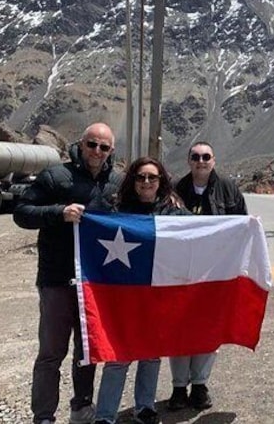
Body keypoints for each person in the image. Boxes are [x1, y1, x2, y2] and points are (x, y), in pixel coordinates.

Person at [14, 123, 123, 424]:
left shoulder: (116, 183)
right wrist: (57, 213)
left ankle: (81, 408)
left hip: (94, 282)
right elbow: (21, 213)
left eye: (104, 147)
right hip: (56, 279)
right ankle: (44, 416)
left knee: (86, 350)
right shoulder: (55, 175)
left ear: (111, 151)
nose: (97, 152)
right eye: (92, 144)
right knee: (51, 352)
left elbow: (136, 217)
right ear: (81, 143)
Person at [93, 157, 189, 424]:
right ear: (133, 180)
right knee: (119, 355)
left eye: (152, 177)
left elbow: (198, 233)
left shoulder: (174, 211)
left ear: (161, 181)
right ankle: (105, 415)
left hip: (158, 293)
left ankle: (145, 407)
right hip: (123, 294)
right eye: (141, 177)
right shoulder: (115, 208)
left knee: (151, 352)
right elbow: (91, 226)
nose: (146, 182)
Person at [167, 141, 248, 411]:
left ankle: (200, 385)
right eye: (195, 157)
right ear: (189, 161)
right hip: (181, 273)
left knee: (208, 331)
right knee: (178, 330)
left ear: (214, 160)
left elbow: (241, 227)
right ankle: (179, 388)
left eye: (206, 157)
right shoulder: (175, 190)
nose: (201, 161)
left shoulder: (229, 189)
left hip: (215, 274)